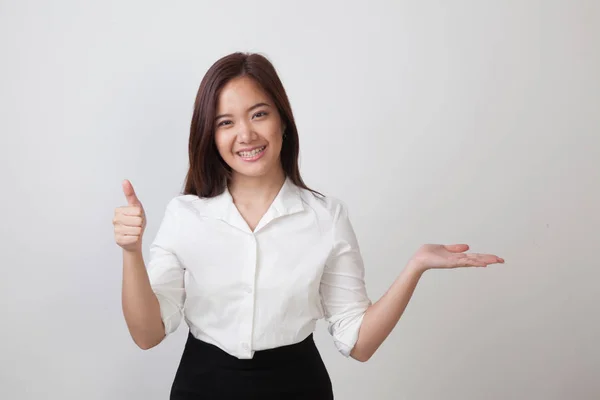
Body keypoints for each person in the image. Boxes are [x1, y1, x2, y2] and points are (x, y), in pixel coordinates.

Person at [112, 52, 504, 399]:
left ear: (283, 120)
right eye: (225, 122)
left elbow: (359, 342)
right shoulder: (186, 215)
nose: (245, 134)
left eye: (259, 114)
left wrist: (415, 266)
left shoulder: (326, 217)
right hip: (202, 387)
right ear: (210, 136)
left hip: (297, 387)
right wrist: (131, 253)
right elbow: (147, 336)